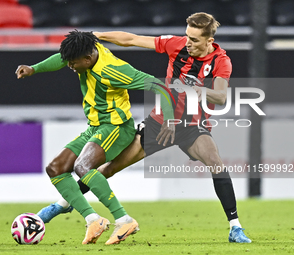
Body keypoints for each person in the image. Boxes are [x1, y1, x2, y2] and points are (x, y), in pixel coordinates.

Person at [36, 12, 251, 243]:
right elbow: (131, 39)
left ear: (209, 41)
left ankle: (235, 228)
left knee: (216, 162)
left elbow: (220, 96)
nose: (188, 43)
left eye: (194, 40)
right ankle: (63, 204)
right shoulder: (176, 45)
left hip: (192, 126)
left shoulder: (221, 61)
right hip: (160, 123)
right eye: (187, 37)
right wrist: (98, 35)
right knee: (108, 169)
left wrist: (196, 89)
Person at [15, 30, 175, 245]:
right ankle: (93, 219)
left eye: (73, 64)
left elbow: (161, 87)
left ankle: (124, 220)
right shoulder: (85, 50)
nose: (70, 66)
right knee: (55, 168)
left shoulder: (114, 70)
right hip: (96, 127)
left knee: (83, 166)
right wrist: (34, 68)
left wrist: (170, 121)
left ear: (88, 59)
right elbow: (61, 59)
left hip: (117, 128)